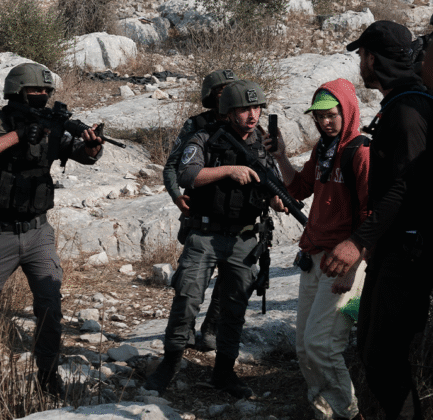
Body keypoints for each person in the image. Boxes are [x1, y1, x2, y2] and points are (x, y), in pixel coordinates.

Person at [0, 62, 104, 396]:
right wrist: (19, 135)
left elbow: (82, 154)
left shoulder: (50, 126)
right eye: (35, 90)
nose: (42, 95)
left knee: (50, 306)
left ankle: (48, 377)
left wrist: (92, 145)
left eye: (46, 90)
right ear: (16, 91)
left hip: (38, 233)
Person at [144, 80, 287, 398]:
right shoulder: (205, 136)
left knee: (234, 308)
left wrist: (280, 197)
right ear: (229, 111)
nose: (253, 115)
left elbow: (276, 191)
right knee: (186, 301)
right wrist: (229, 170)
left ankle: (224, 372)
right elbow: (187, 174)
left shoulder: (263, 143)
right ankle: (169, 365)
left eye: (257, 108)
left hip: (244, 238)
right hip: (205, 234)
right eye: (245, 109)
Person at [321, 21, 433, 419]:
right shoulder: (400, 103)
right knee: (373, 351)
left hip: (409, 253)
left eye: (362, 56)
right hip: (392, 250)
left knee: (384, 356)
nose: (360, 64)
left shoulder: (408, 111)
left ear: (372, 58)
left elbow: (404, 189)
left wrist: (357, 241)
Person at [267, 79, 369, 420]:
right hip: (313, 260)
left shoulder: (361, 152)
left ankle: (350, 415)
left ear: (347, 111)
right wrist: (281, 156)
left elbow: (373, 216)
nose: (324, 122)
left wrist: (355, 269)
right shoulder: (322, 150)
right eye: (319, 117)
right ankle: (323, 413)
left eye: (331, 115)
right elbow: (298, 189)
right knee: (304, 348)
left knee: (323, 346)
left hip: (345, 266)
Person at [163, 68, 237, 352]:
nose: (227, 96)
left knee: (230, 283)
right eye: (221, 92)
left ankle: (212, 330)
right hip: (202, 214)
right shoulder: (196, 125)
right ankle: (181, 336)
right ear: (210, 96)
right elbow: (172, 166)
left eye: (231, 90)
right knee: (189, 284)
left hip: (235, 215)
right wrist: (176, 196)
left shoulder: (247, 123)